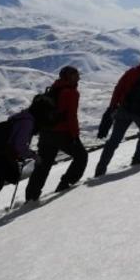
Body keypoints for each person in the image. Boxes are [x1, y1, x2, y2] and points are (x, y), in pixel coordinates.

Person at [94, 50, 140, 177]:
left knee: (114, 141)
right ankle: (137, 160)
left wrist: (113, 106)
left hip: (125, 110)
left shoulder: (133, 72)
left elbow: (118, 89)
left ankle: (100, 169)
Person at [25, 66, 87, 201]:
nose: (78, 78)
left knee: (43, 165)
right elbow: (71, 116)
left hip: (46, 133)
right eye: (75, 75)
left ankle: (31, 196)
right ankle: (65, 183)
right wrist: (75, 135)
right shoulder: (71, 92)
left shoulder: (53, 88)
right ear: (68, 77)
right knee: (81, 156)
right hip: (62, 133)